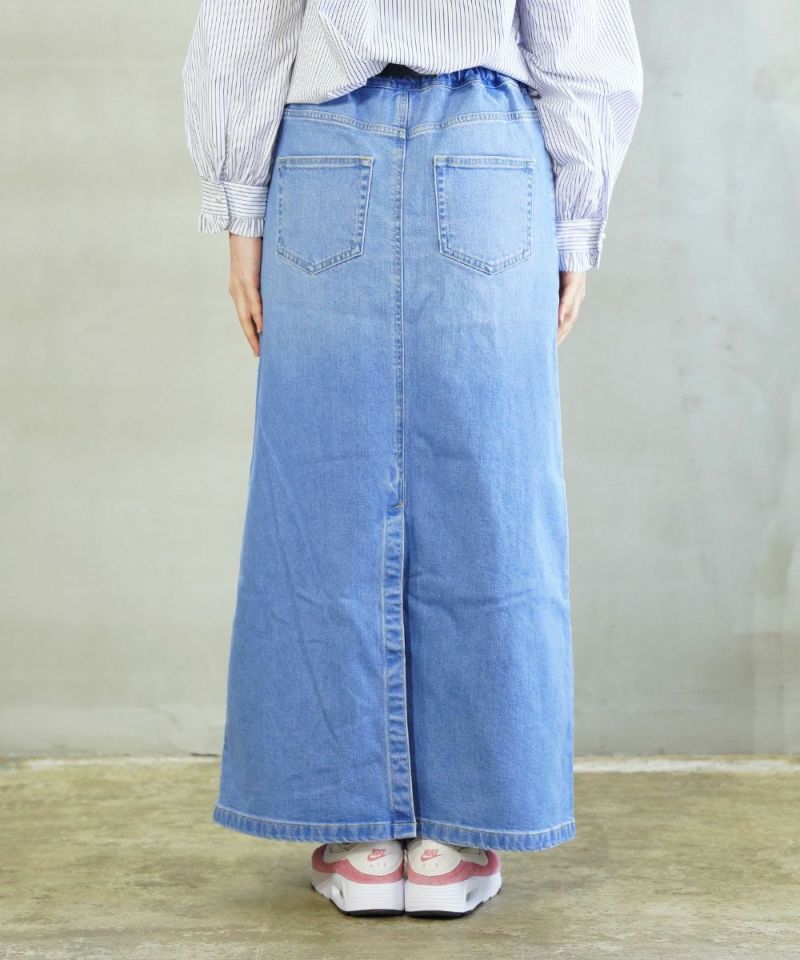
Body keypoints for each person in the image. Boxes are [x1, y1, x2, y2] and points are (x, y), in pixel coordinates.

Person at [182, 0, 643, 919]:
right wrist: (576, 219)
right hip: (489, 150)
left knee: (321, 489)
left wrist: (240, 211)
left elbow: (247, 23)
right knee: (491, 491)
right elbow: (576, 33)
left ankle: (356, 833)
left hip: (323, 151)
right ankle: (459, 836)